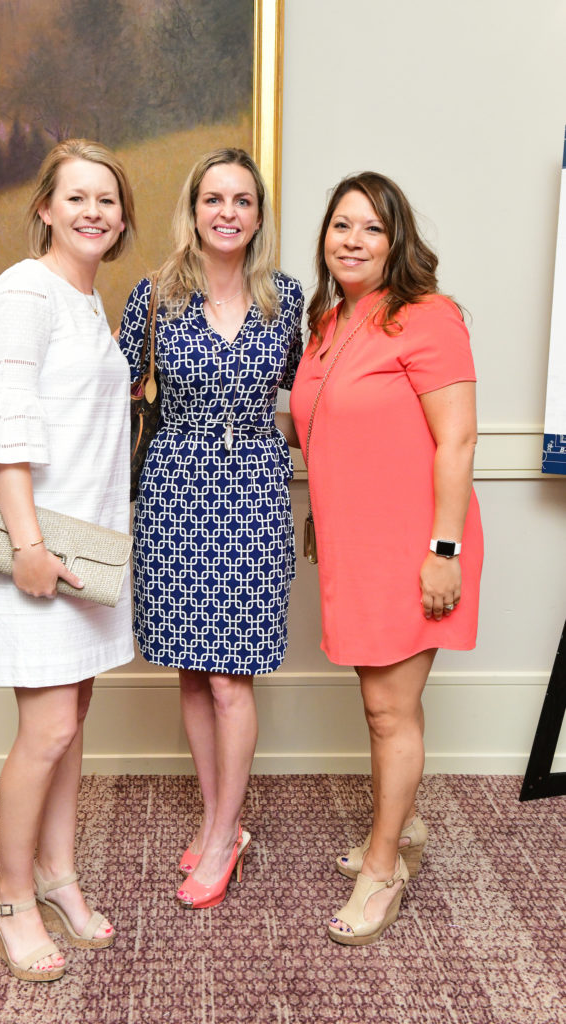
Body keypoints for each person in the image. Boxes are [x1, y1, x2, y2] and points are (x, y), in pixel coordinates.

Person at [289, 172, 483, 945]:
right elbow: (330, 435)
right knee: (382, 705)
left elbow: (458, 439)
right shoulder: (328, 323)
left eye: (371, 228)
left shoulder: (428, 318)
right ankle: (401, 829)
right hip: (353, 542)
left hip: (415, 544)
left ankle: (382, 868)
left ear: (396, 240)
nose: (353, 241)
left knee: (385, 708)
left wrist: (443, 550)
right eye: (341, 226)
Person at [119, 148, 304, 909]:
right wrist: (9, 407)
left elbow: (314, 397)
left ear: (258, 216)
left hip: (255, 490)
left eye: (242, 200)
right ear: (192, 210)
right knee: (191, 669)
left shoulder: (287, 298)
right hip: (175, 489)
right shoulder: (154, 295)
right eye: (213, 198)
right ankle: (217, 814)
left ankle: (225, 835)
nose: (227, 212)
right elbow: (111, 386)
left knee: (233, 675)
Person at [0, 139, 136, 980]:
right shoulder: (22, 293)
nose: (92, 212)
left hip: (91, 550)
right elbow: (6, 430)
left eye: (106, 200)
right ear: (45, 208)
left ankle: (56, 871)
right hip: (42, 549)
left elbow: (65, 403)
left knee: (72, 729)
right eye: (76, 198)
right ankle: (9, 895)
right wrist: (28, 548)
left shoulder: (87, 301)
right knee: (47, 731)